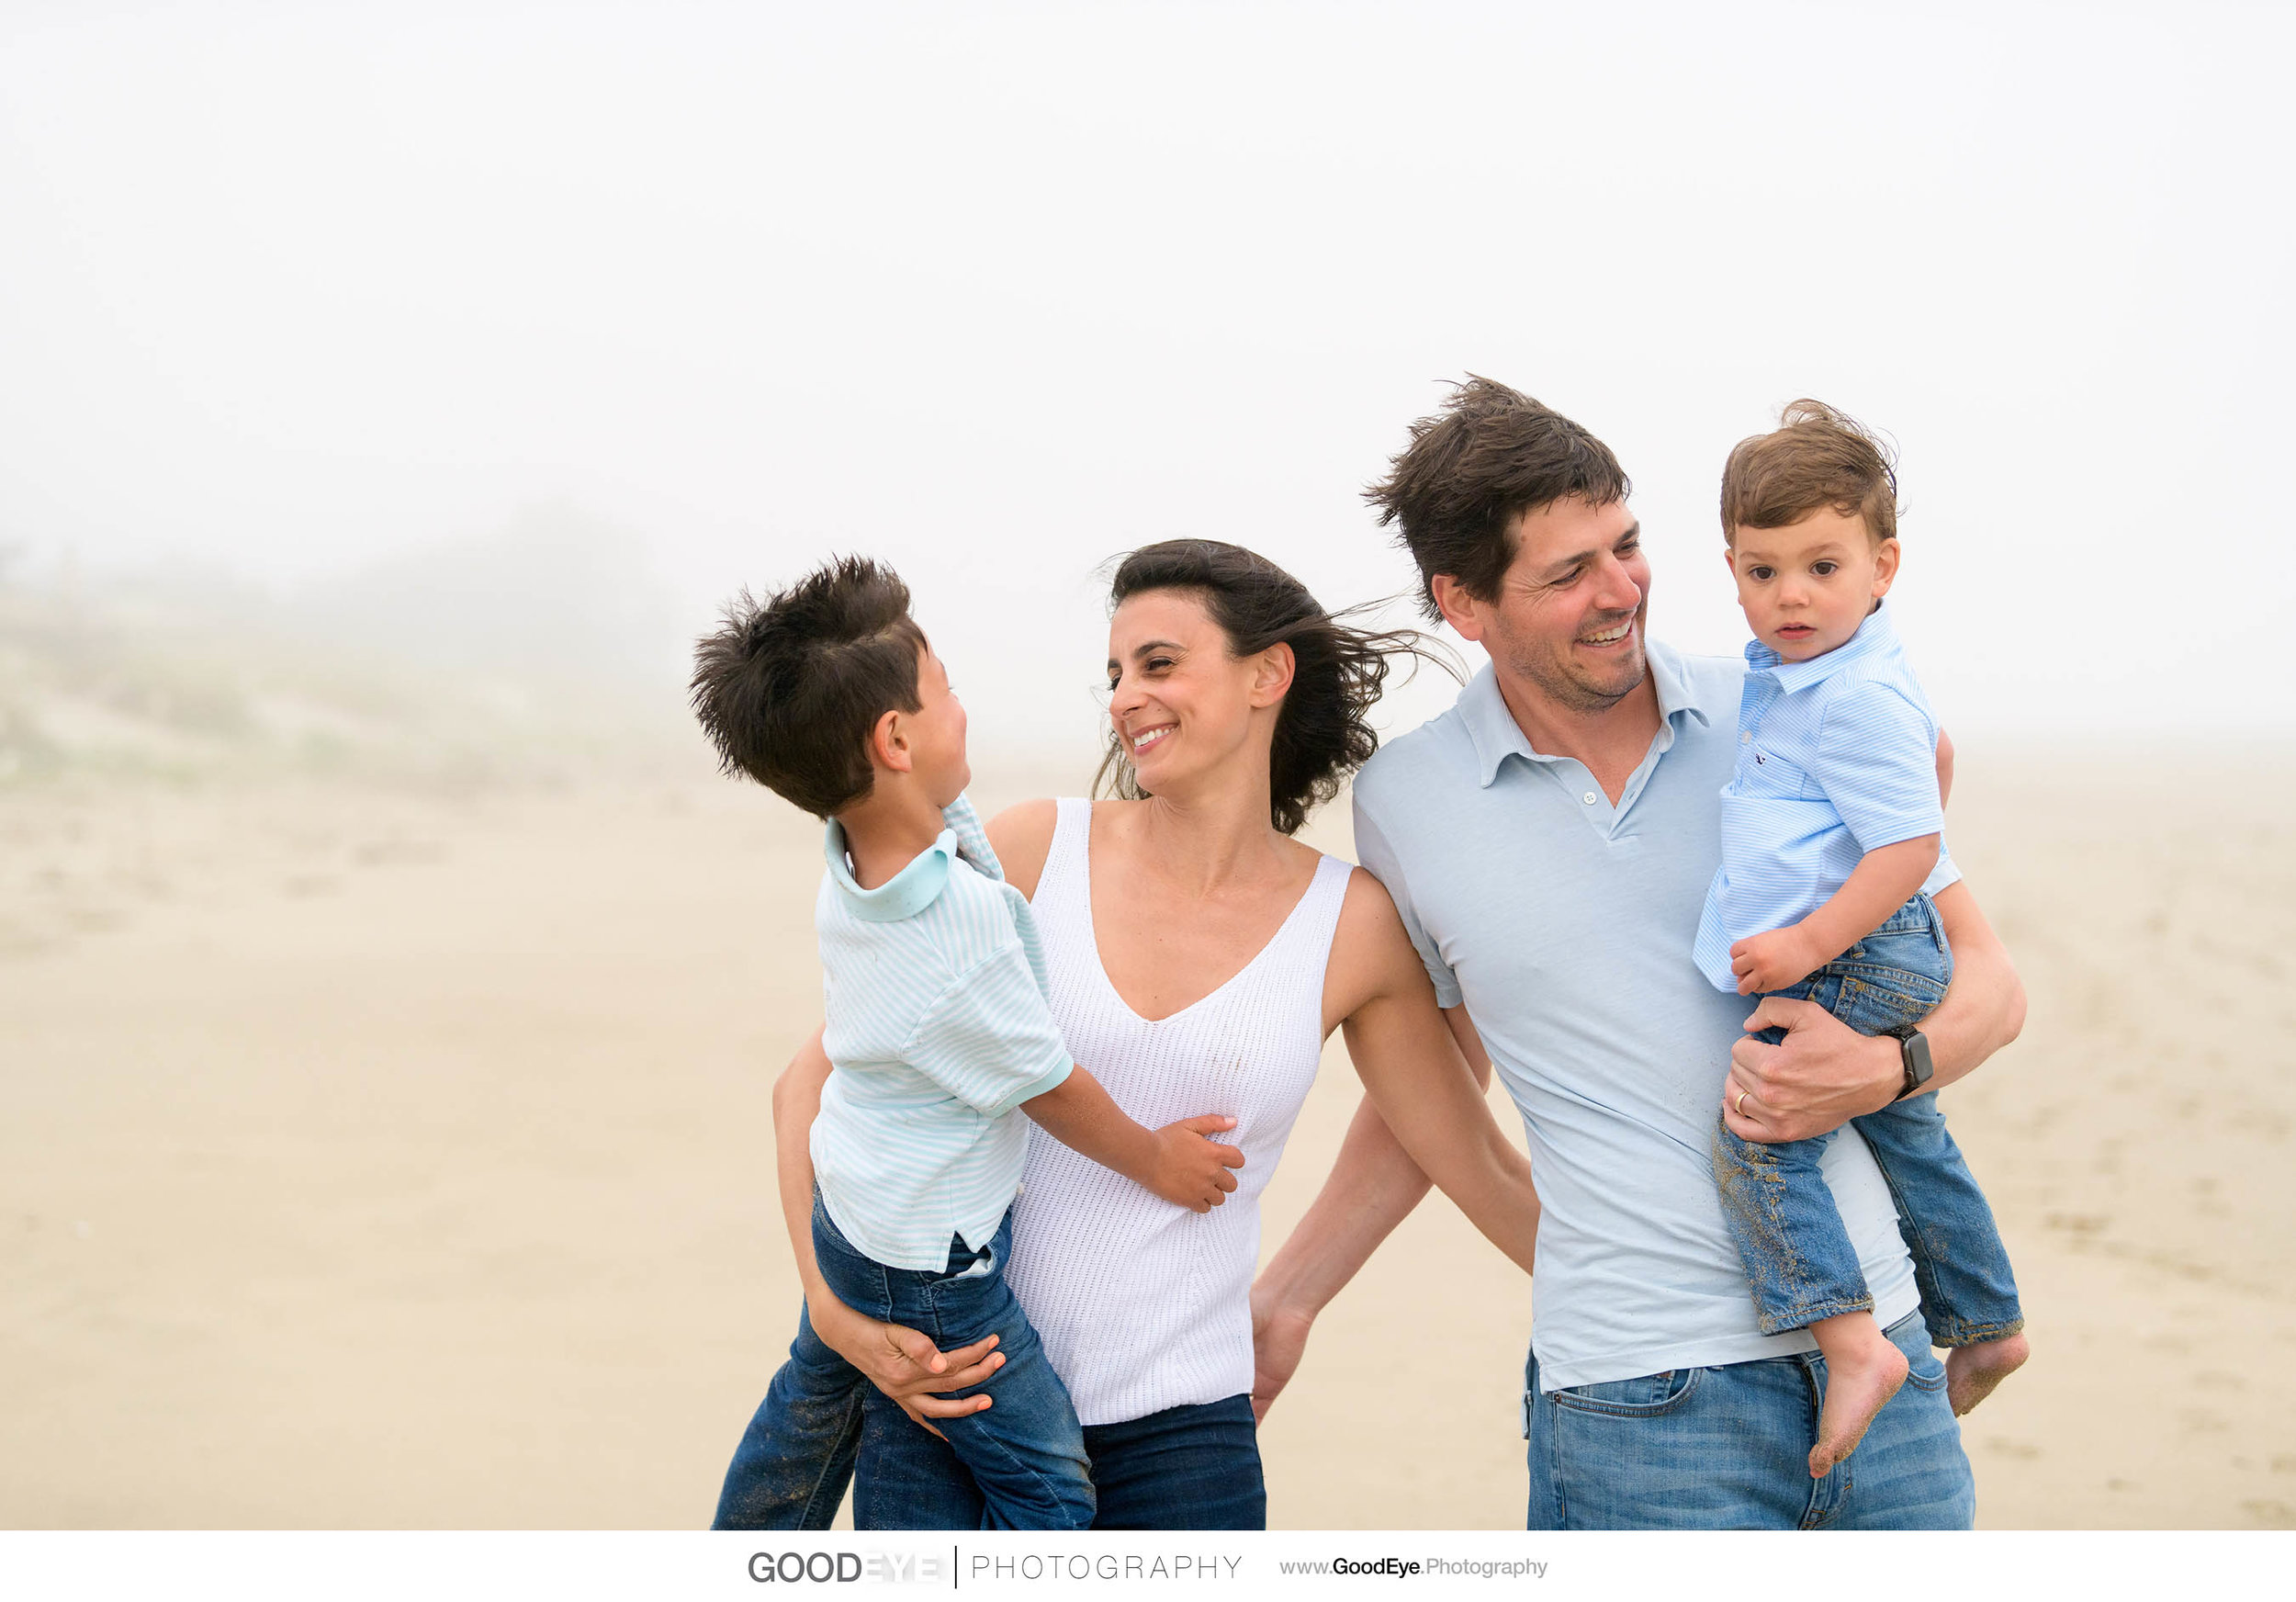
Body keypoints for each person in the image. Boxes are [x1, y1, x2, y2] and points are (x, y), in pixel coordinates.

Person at [1252, 378, 2028, 1530]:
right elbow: (1431, 1080)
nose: (1621, 592)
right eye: (1568, 573)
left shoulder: (1789, 707)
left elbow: (1990, 986)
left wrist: (1884, 1071)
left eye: (1626, 547)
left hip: (1892, 1365)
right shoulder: (1411, 804)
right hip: (1635, 1406)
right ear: (1462, 602)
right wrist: (1287, 1299)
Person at [758, 539, 1546, 1529]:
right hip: (952, 1410)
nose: (1127, 696)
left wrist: (1664, 1315)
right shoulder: (1030, 851)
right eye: (1116, 674)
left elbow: (1466, 1155)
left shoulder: (1351, 925)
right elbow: (810, 1085)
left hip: (1184, 1440)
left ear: (1268, 673)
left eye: (1160, 663)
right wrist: (831, 1315)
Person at [690, 557, 1247, 1530]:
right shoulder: (955, 933)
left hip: (853, 1217)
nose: (962, 705)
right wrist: (1155, 1158)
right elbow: (1047, 1083)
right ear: (895, 737)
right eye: (943, 689)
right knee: (1051, 1491)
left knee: (812, 1407)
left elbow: (947, 823)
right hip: (931, 1264)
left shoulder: (858, 859)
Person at [1696, 400, 2028, 1478]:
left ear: (1882, 566)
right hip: (1869, 946)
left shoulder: (1853, 697)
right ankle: (1987, 1318)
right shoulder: (1805, 674)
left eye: (1820, 566)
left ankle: (1850, 1341)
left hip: (1861, 949)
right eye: (1761, 570)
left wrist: (1803, 945)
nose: (1788, 595)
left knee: (1758, 1126)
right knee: (1903, 1132)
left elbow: (1905, 849)